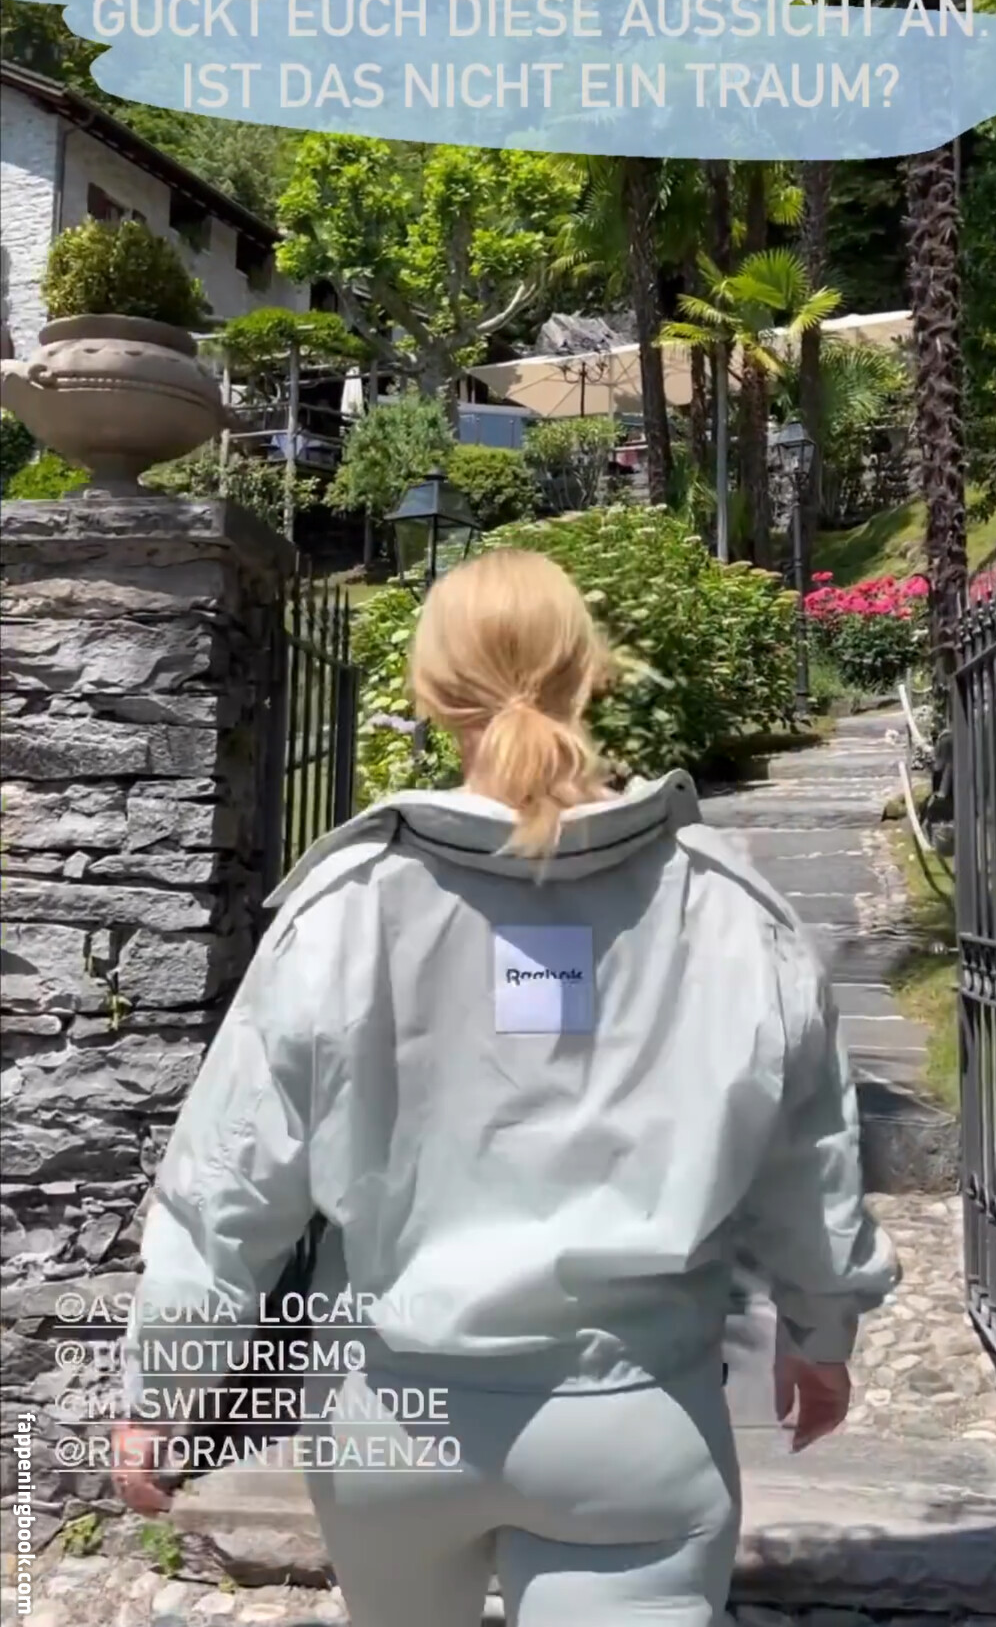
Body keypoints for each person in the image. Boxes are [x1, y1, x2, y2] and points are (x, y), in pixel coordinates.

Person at [112, 547, 899, 1625]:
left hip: (391, 1420)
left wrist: (161, 1390)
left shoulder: (347, 905)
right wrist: (821, 1332)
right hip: (635, 1421)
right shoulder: (724, 904)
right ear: (592, 672)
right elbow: (808, 1154)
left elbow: (232, 1183)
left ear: (432, 692)